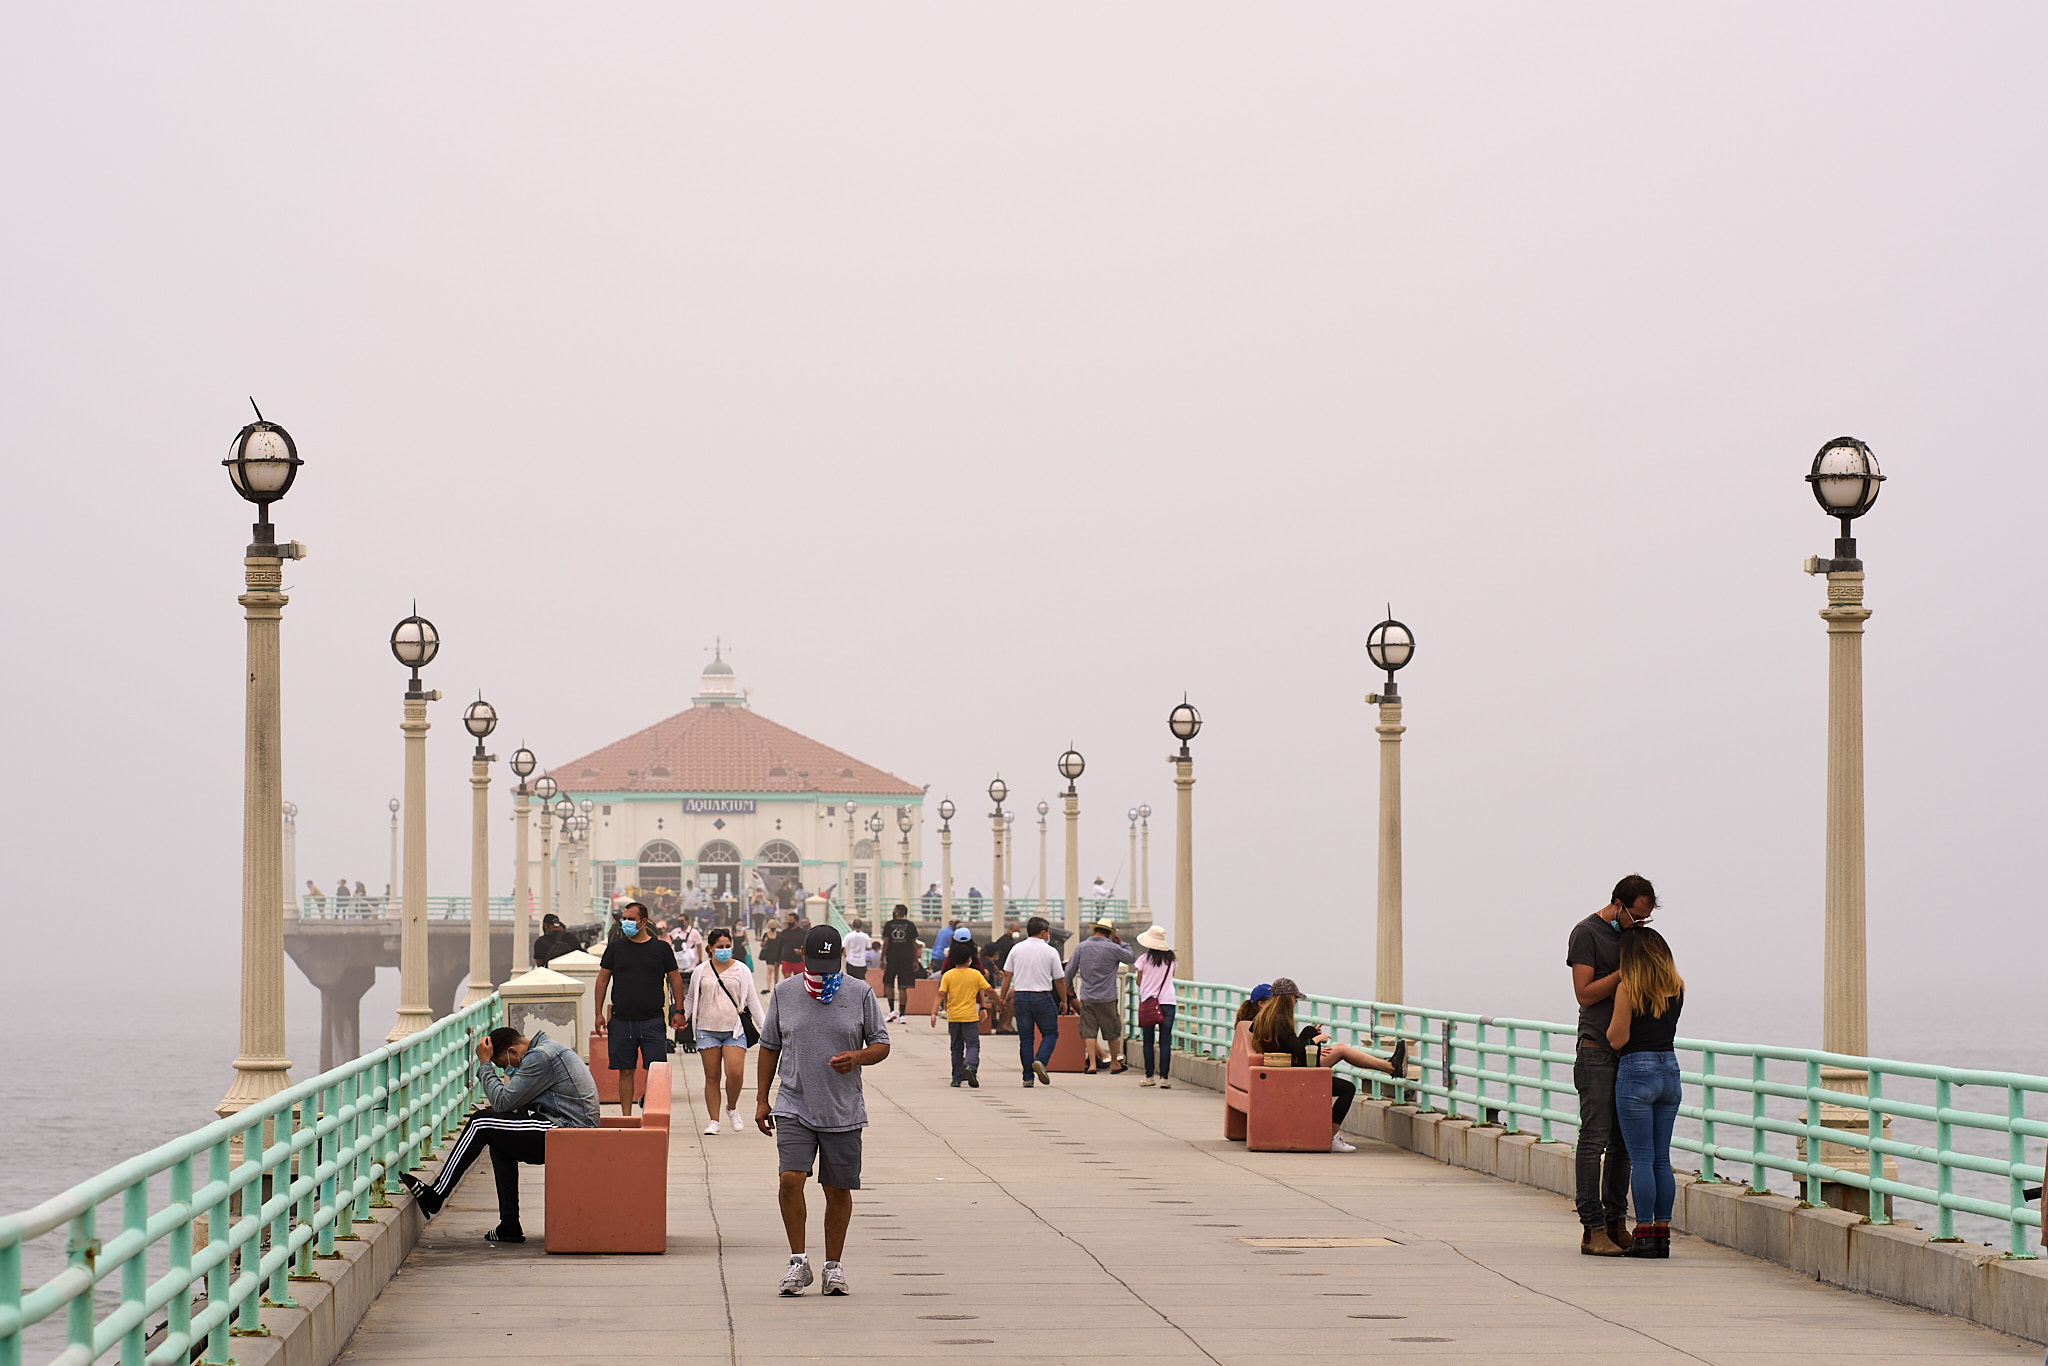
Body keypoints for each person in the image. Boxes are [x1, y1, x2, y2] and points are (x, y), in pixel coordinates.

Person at [757, 925, 891, 1297]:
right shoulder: (785, 993)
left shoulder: (859, 992)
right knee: (790, 1180)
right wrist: (761, 1098)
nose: (823, 971)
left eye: (829, 964)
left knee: (837, 1189)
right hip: (794, 1103)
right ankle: (798, 1262)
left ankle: (834, 1266)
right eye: (816, 963)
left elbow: (881, 1043)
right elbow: (769, 1046)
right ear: (803, 956)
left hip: (843, 1109)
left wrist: (859, 1057)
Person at [400, 1024, 600, 1243]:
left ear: (513, 1052)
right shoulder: (547, 1050)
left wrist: (485, 1064)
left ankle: (436, 1195)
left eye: (503, 1066)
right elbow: (517, 1101)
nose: (507, 1072)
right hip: (571, 1130)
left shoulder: (540, 1057)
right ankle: (509, 1224)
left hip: (569, 1132)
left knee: (480, 1123)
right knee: (498, 1140)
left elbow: (503, 1101)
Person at [1568, 873, 1658, 1257]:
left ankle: (1615, 1220)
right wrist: (1626, 972)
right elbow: (1585, 994)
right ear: (1618, 905)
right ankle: (1591, 1228)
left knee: (1625, 1143)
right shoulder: (1586, 933)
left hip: (1631, 1052)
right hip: (1596, 1050)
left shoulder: (1632, 937)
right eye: (1635, 917)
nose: (1638, 926)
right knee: (1594, 1140)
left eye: (1645, 921)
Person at [1250, 978, 1407, 1153]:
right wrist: (1317, 1040)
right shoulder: (1279, 1020)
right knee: (1348, 1087)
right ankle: (1330, 1137)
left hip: (1286, 1069)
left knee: (1337, 1047)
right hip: (1294, 1074)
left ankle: (1391, 1067)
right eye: (1295, 998)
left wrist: (1310, 1038)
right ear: (1287, 998)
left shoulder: (1263, 1018)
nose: (1296, 1002)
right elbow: (1299, 1049)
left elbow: (1286, 1045)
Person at [1608, 927, 1684, 1259]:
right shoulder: (1677, 987)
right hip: (1670, 1068)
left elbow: (1616, 1038)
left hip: (1637, 1070)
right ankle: (1662, 1237)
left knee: (1640, 1158)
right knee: (1661, 1158)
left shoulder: (1628, 989)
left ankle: (1643, 1235)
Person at [593, 901, 685, 1117]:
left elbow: (675, 980)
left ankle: (653, 1112)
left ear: (643, 922)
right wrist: (598, 1013)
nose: (626, 923)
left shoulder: (661, 949)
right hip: (622, 1020)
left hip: (652, 1020)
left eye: (631, 919)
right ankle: (627, 1116)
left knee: (656, 1071)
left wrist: (679, 1011)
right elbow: (602, 980)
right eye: (624, 918)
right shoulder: (615, 949)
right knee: (625, 1071)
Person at [687, 927, 765, 1136]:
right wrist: (681, 1017)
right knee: (712, 1077)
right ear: (710, 948)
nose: (724, 950)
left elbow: (752, 1000)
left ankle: (731, 1107)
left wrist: (765, 1027)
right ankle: (714, 1120)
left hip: (734, 1030)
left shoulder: (741, 970)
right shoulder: (700, 971)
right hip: (706, 1029)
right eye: (719, 947)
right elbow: (691, 998)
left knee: (735, 1072)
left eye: (727, 946)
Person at [1002, 916, 1068, 1087]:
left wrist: (1002, 998)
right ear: (1043, 932)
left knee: (1026, 1039)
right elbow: (1059, 980)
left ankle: (1027, 1077)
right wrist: (1064, 1000)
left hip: (1021, 997)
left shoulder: (1017, 949)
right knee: (1051, 1033)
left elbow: (1007, 975)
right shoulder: (1050, 951)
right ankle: (1040, 1060)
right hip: (1042, 997)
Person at [1064, 919, 1135, 1075]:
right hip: (1107, 997)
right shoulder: (1112, 947)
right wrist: (1121, 943)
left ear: (1094, 930)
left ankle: (1092, 1065)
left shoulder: (1081, 947)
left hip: (1087, 996)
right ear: (1110, 933)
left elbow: (1069, 971)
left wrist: (1068, 988)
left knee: (1089, 1030)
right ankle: (1115, 1063)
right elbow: (1131, 957)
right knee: (1112, 1031)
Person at [928, 939, 993, 1087]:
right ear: (969, 959)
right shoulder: (976, 974)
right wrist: (988, 1005)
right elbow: (987, 990)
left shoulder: (948, 975)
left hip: (954, 1016)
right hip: (970, 1016)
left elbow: (940, 994)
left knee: (956, 1047)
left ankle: (956, 1077)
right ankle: (970, 1066)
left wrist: (933, 1013)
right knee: (972, 1044)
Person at [1134, 925, 1178, 1088]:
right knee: (1165, 1040)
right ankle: (1165, 1079)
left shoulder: (1144, 960)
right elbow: (1170, 978)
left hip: (1149, 1002)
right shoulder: (1171, 960)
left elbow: (1139, 981)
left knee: (1148, 1040)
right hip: (1168, 1002)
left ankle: (1149, 1077)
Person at [879, 905, 923, 1022]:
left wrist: (882, 958)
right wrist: (915, 960)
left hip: (892, 958)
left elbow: (886, 943)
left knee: (889, 983)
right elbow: (914, 945)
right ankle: (902, 1015)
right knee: (903, 987)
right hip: (906, 959)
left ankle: (892, 1011)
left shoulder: (889, 925)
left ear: (896, 912)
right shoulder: (910, 926)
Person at [778, 911, 808, 979]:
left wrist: (801, 951)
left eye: (791, 920)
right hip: (786, 960)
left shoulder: (803, 933)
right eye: (788, 920)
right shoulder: (784, 932)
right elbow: (779, 946)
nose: (789, 922)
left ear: (796, 921)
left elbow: (807, 946)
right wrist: (777, 960)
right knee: (787, 980)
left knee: (799, 980)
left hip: (798, 961)